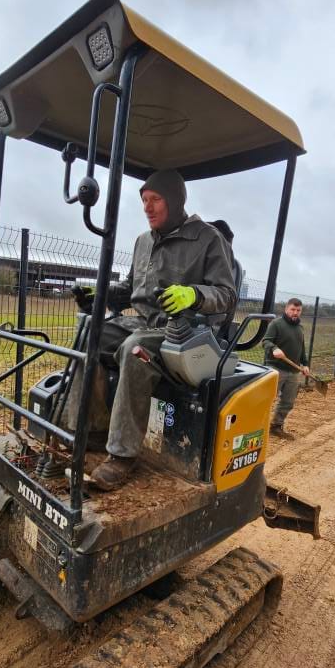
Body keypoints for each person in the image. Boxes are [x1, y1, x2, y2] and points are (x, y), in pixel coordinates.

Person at [70, 169, 236, 490]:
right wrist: (100, 294)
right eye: (144, 200)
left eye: (155, 199)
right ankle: (92, 430)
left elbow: (227, 296)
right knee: (88, 331)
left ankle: (121, 455)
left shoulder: (207, 239)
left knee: (136, 350)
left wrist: (194, 295)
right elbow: (132, 288)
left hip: (186, 332)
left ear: (174, 201)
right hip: (145, 322)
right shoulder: (143, 241)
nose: (148, 207)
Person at [262, 298, 311, 440]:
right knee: (267, 399)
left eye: (298, 310)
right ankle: (258, 426)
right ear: (286, 309)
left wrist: (305, 364)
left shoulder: (299, 328)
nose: (295, 313)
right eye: (292, 310)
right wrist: (274, 348)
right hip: (276, 368)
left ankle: (276, 426)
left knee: (288, 401)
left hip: (293, 372)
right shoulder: (276, 324)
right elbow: (265, 341)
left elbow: (302, 349)